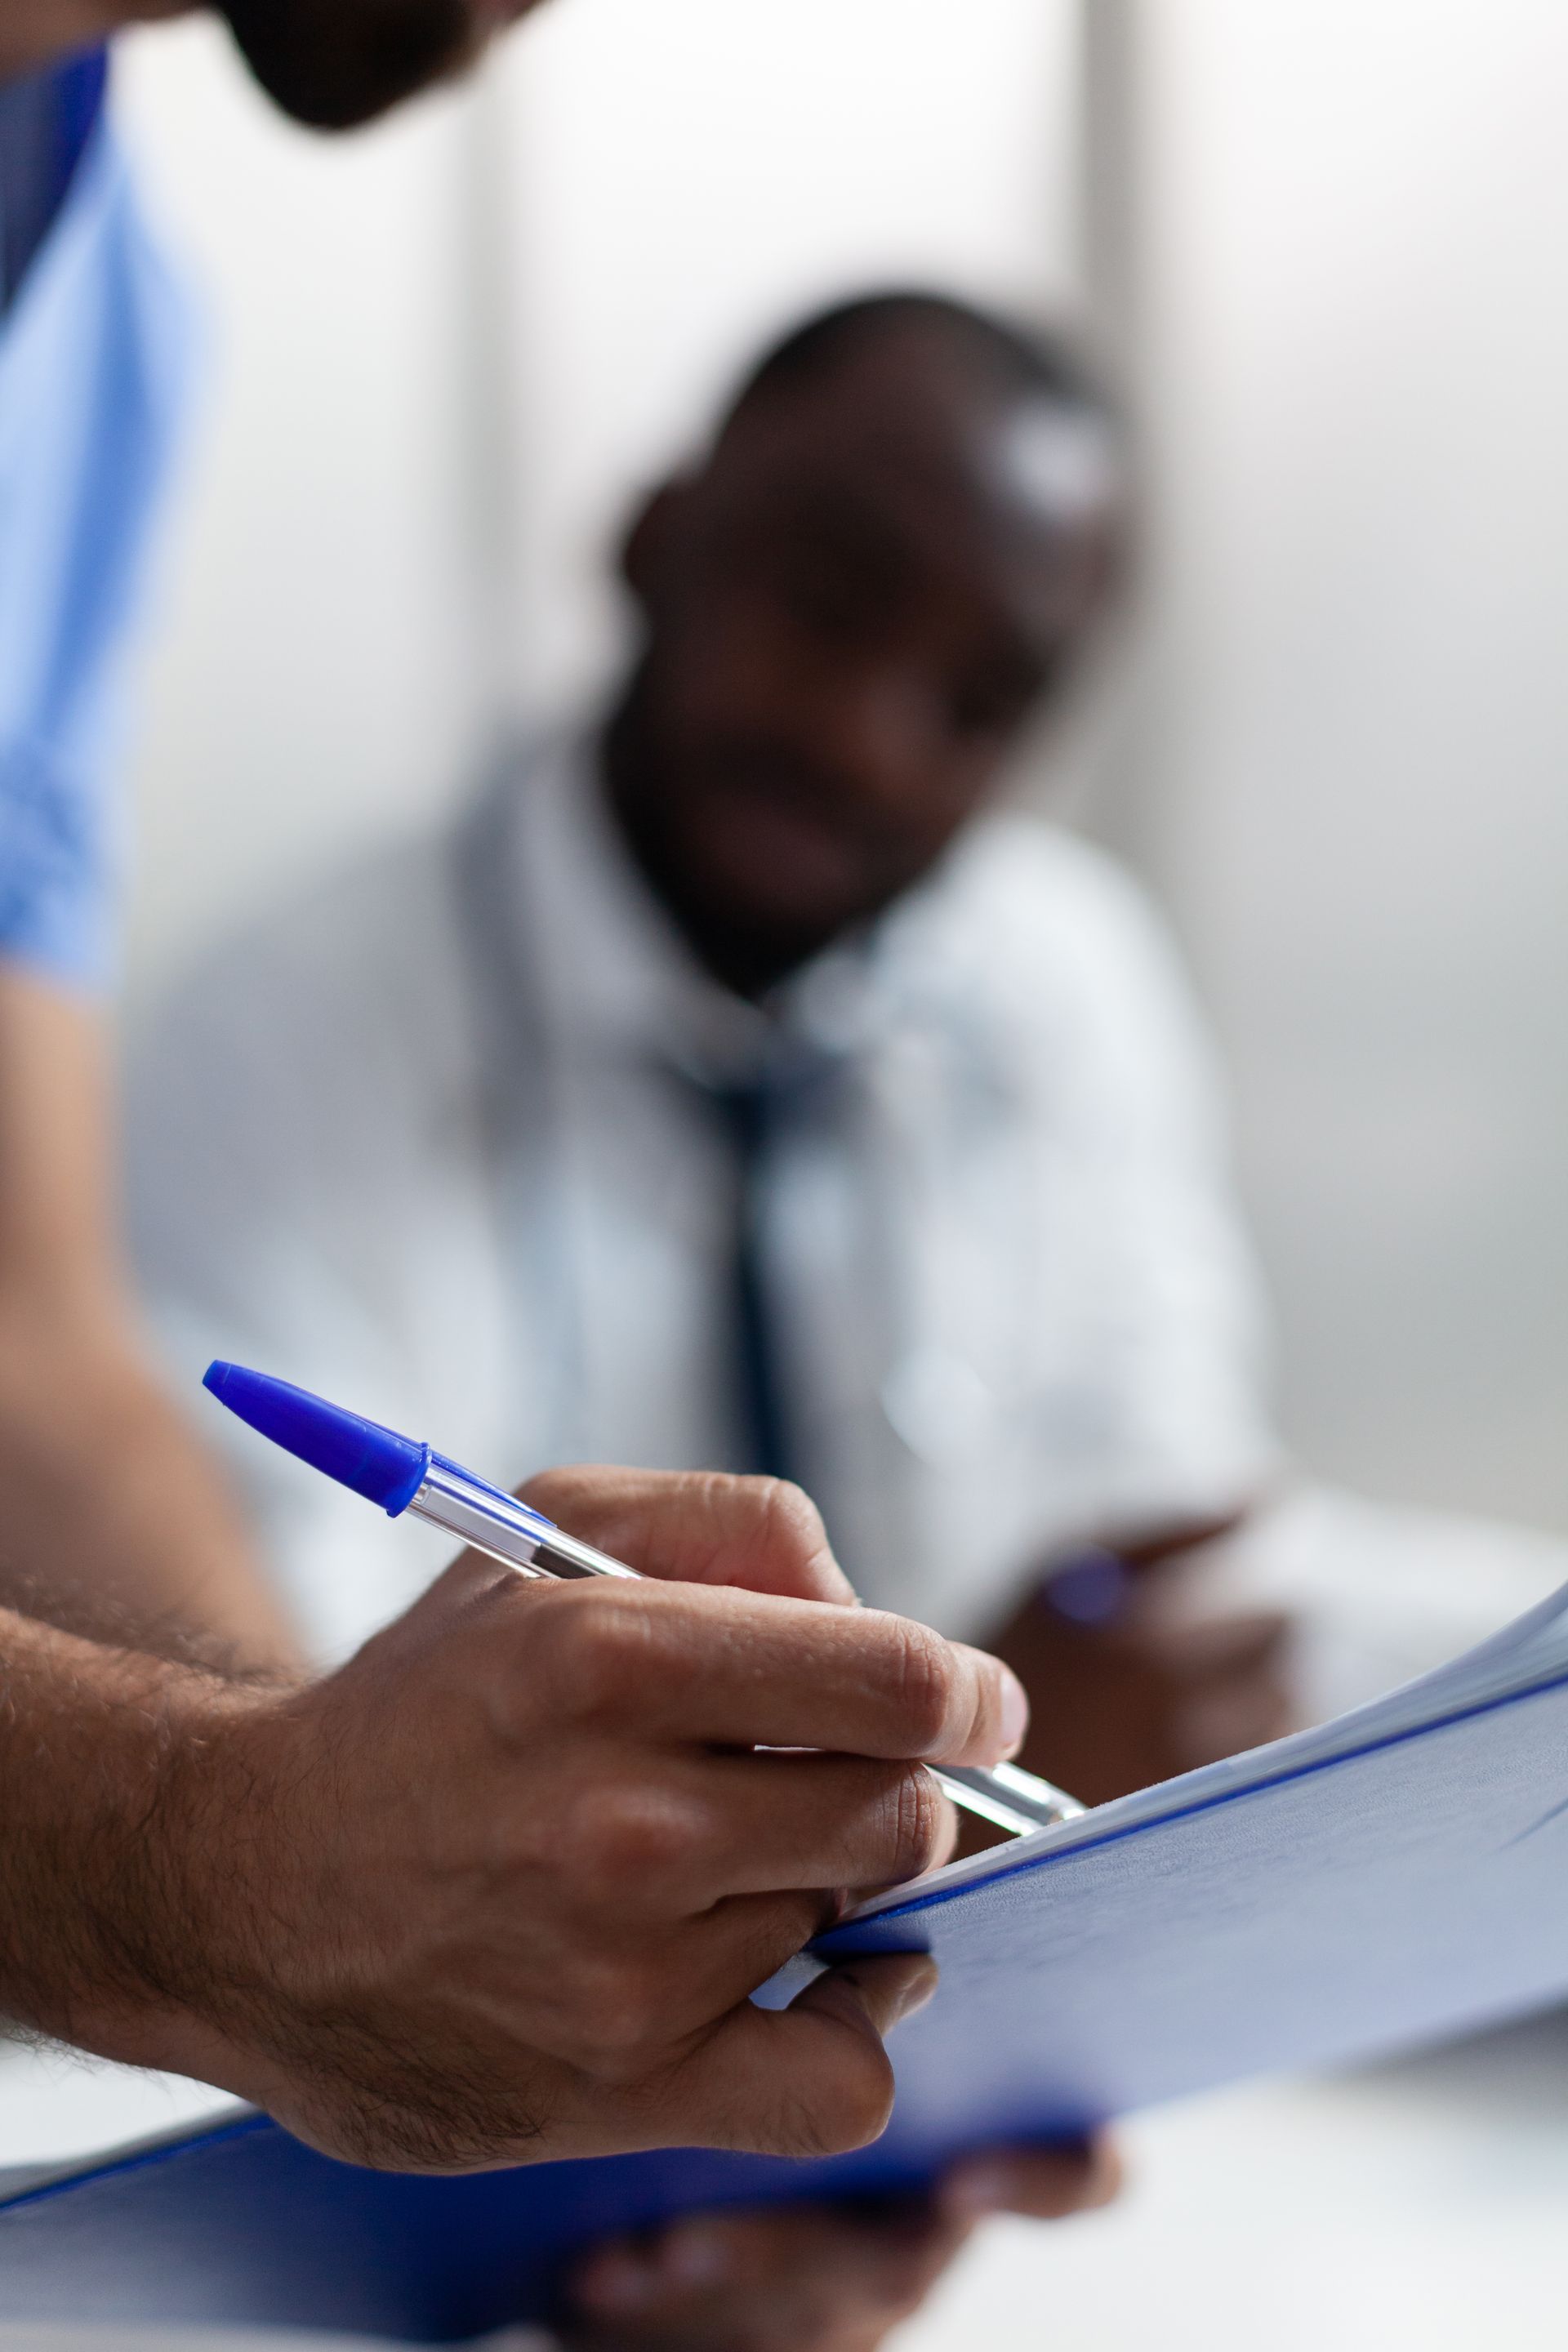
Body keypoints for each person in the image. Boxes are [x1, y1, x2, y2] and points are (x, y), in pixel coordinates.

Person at [0, 24, 1115, 2328]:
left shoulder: (97, 316)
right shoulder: (310, 1017)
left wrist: (449, 1990)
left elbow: (27, 1354)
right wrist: (204, 1871)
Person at [129, 289, 1568, 1815]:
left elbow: (1171, 1572)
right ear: (654, 538)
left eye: (978, 701)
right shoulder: (279, 1036)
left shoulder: (1063, 975)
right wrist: (948, 1766)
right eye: (826, 600)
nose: (869, 740)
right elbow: (288, 1743)